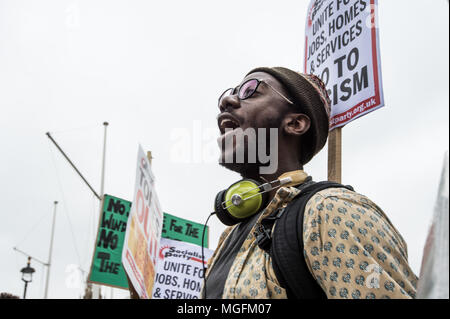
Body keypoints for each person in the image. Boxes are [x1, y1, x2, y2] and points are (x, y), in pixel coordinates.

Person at [202, 66, 418, 299]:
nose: (227, 100)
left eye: (250, 90)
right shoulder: (229, 235)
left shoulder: (331, 210)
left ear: (295, 124)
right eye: (230, 92)